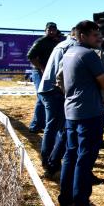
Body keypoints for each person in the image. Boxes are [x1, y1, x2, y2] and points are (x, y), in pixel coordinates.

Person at [58, 20, 104, 206]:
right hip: (89, 112)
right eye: (94, 35)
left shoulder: (69, 52)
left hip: (72, 111)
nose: (99, 38)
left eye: (99, 34)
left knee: (71, 155)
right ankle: (81, 205)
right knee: (85, 157)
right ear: (82, 36)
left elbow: (60, 79)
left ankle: (66, 199)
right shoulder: (88, 54)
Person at [38, 28, 77, 179]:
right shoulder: (72, 46)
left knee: (55, 126)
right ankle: (48, 161)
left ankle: (50, 159)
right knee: (54, 127)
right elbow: (64, 71)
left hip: (49, 88)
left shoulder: (62, 44)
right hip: (55, 90)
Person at [27, 21, 60, 133]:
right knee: (43, 96)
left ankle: (36, 125)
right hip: (38, 71)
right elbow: (30, 56)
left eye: (53, 29)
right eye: (49, 29)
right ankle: (40, 124)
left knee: (42, 98)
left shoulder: (56, 41)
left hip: (50, 72)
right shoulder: (40, 41)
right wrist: (41, 67)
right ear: (45, 30)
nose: (51, 31)